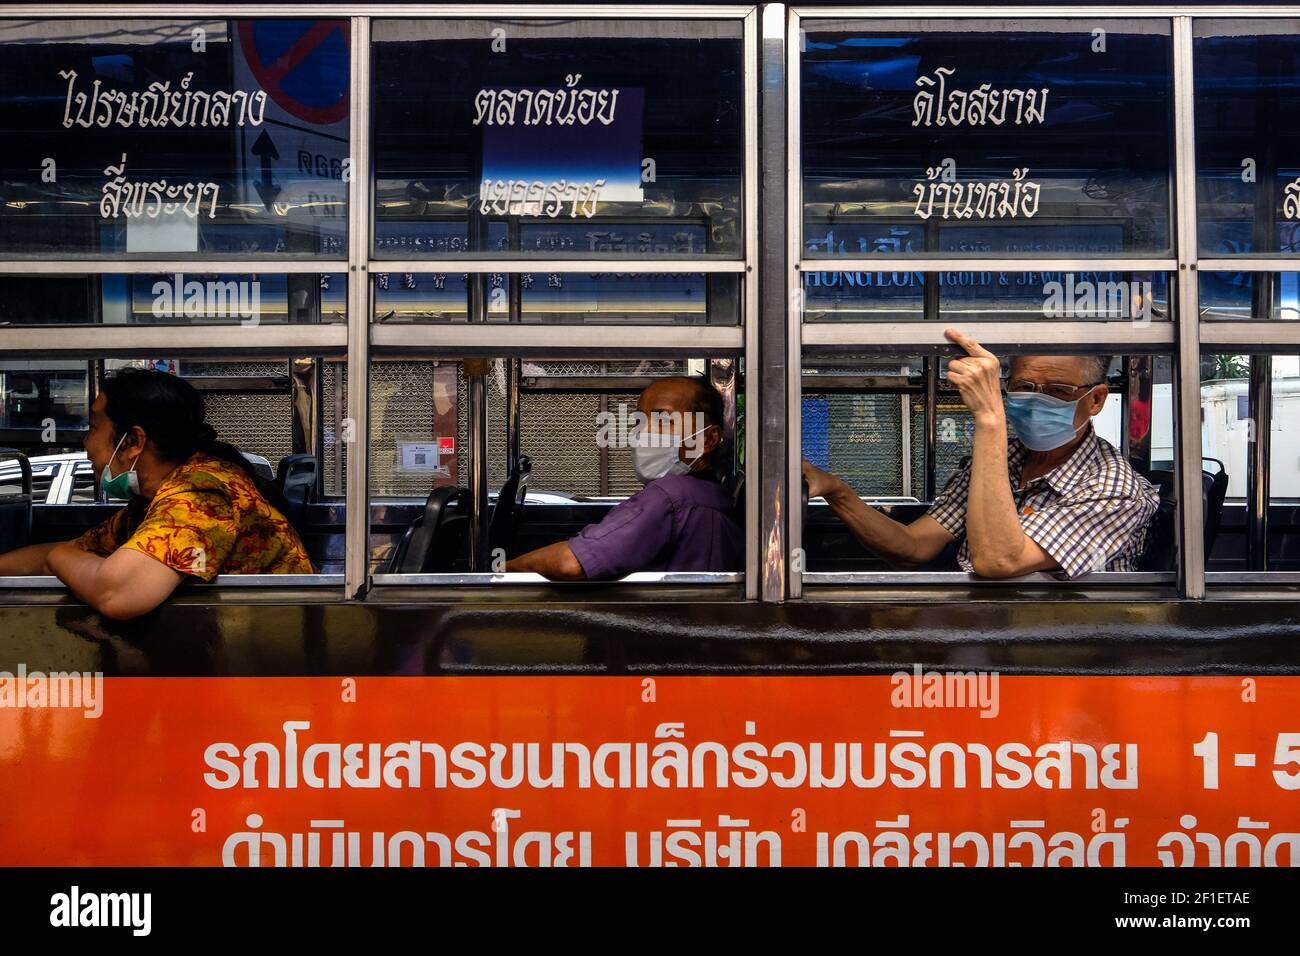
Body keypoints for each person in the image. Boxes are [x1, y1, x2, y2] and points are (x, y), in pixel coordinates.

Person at [802, 328, 1159, 579]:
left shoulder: (1116, 491)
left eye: (1058, 390)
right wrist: (837, 491)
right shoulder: (1009, 459)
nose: (1037, 401)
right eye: (1024, 387)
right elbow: (913, 546)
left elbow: (999, 561)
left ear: (1095, 399)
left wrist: (990, 419)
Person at [0, 367, 314, 618]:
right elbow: (77, 551)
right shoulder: (151, 502)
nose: (86, 443)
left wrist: (57, 558)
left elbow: (117, 594)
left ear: (133, 441)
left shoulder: (200, 496)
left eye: (94, 428)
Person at [507, 376, 742, 580]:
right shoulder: (712, 495)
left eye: (663, 420)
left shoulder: (670, 496)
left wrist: (499, 569)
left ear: (709, 439)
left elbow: (570, 563)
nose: (644, 432)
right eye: (640, 420)